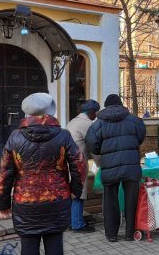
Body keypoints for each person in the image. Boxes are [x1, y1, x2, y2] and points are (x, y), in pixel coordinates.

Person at [0, 93, 86, 255]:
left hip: (25, 203)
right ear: (51, 111)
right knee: (55, 246)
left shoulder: (15, 137)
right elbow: (79, 165)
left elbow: (4, 173)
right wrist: (75, 191)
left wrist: (3, 204)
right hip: (57, 200)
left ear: (27, 113)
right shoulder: (63, 135)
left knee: (28, 247)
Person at [86, 94, 146, 242]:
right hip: (131, 167)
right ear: (121, 104)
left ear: (106, 106)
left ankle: (112, 234)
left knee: (110, 201)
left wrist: (102, 150)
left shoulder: (98, 123)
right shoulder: (134, 120)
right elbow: (140, 137)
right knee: (131, 201)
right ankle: (129, 233)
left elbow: (92, 143)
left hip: (109, 167)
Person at [66, 99, 100, 233]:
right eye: (95, 112)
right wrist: (99, 163)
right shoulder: (87, 124)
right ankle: (77, 224)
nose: (96, 115)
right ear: (91, 112)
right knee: (79, 194)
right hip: (78, 163)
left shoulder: (73, 121)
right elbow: (94, 146)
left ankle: (71, 221)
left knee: (71, 194)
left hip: (68, 162)